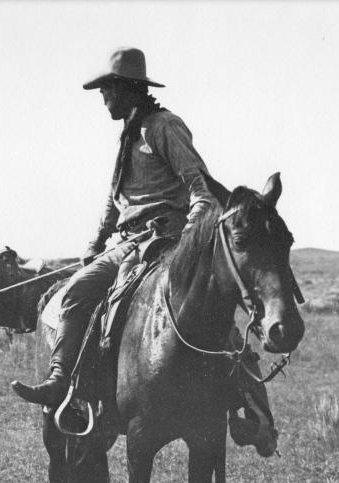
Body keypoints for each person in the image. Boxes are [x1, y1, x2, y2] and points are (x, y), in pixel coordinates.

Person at [12, 47, 214, 406]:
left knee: (78, 294)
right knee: (77, 295)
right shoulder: (129, 133)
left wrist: (187, 239)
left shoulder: (163, 127)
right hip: (124, 240)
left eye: (107, 88)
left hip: (159, 239)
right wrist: (96, 241)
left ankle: (60, 380)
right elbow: (114, 199)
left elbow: (202, 191)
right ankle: (72, 381)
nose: (103, 97)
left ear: (126, 88)